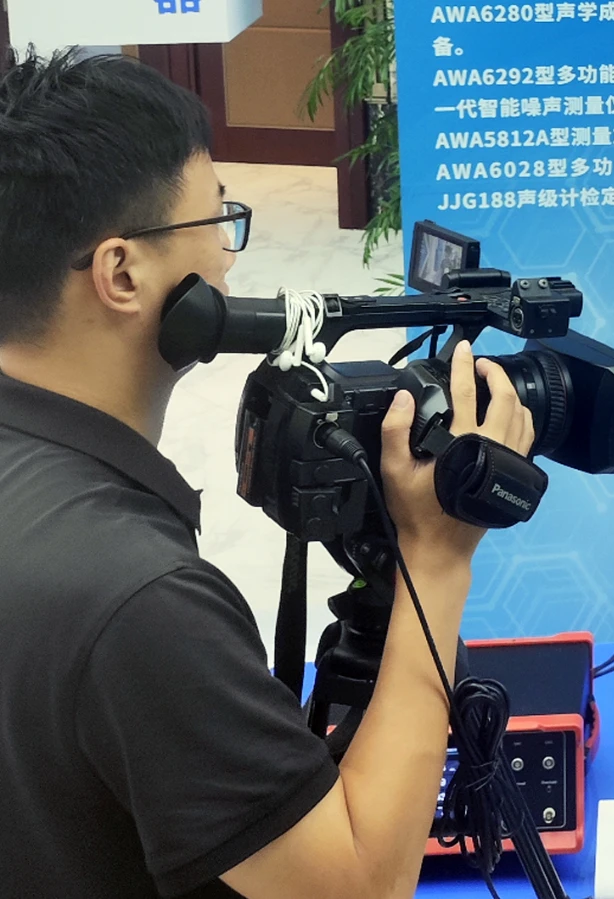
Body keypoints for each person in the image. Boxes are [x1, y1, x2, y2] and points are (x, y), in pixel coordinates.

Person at [0, 50, 534, 897]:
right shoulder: (139, 597)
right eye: (216, 220)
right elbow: (357, 887)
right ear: (122, 273)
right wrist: (436, 557)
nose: (227, 255)